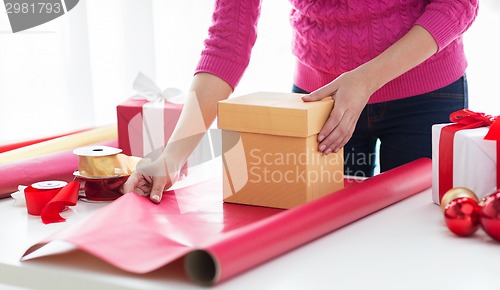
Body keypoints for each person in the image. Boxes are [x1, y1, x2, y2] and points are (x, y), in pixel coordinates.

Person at [123, 0, 479, 203]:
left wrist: (366, 79)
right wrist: (173, 156)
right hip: (319, 107)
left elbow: (457, 4)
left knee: (419, 235)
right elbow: (226, 42)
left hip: (425, 94)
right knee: (325, 248)